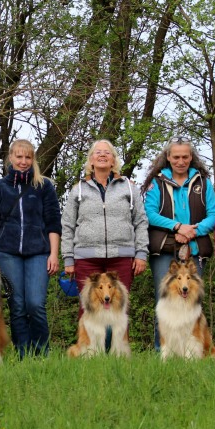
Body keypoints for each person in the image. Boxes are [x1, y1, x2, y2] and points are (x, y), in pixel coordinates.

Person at [61, 139, 149, 346]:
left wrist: (141, 254)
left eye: (107, 153)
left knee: (120, 307)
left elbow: (141, 221)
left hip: (122, 258)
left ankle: (119, 354)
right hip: (86, 258)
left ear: (113, 160)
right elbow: (66, 225)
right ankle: (88, 352)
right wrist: (68, 258)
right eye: (97, 152)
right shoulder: (78, 190)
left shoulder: (128, 187)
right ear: (91, 160)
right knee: (88, 308)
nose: (102, 155)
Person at [0, 139, 61, 358]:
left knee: (35, 304)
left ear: (33, 159)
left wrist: (54, 254)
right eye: (19, 157)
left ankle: (42, 354)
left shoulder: (44, 186)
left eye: (28, 157)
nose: (24, 161)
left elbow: (53, 222)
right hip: (7, 253)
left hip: (39, 252)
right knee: (17, 306)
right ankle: (23, 355)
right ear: (10, 158)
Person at [142, 136, 215, 351]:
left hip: (195, 251)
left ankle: (193, 353)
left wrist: (193, 231)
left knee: (193, 305)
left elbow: (214, 214)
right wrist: (177, 227)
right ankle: (162, 352)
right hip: (164, 252)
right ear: (168, 157)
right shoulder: (156, 183)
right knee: (164, 303)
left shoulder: (203, 183)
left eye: (185, 157)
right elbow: (149, 213)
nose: (181, 161)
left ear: (191, 157)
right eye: (176, 157)